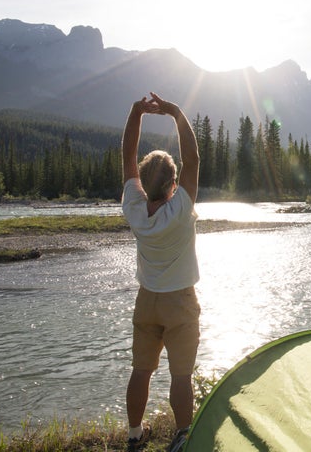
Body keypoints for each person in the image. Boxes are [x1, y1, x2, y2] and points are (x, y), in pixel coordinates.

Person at [121, 92, 201, 452]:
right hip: (180, 302)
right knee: (181, 375)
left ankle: (135, 434)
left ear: (141, 181)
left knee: (142, 370)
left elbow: (126, 155)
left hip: (147, 300)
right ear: (173, 185)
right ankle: (183, 437)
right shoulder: (181, 209)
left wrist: (137, 113)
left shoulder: (135, 209)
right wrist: (174, 111)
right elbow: (194, 158)